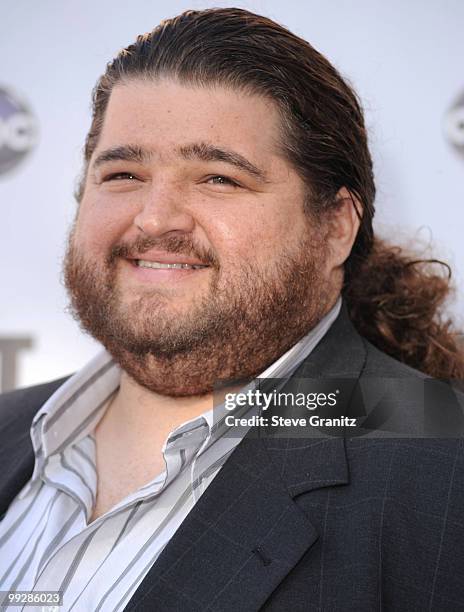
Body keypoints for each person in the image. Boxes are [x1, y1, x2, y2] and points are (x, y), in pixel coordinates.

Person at [0, 7, 463, 611]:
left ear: (334, 229)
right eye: (122, 172)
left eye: (218, 178)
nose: (155, 218)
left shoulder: (443, 472)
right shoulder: (11, 427)